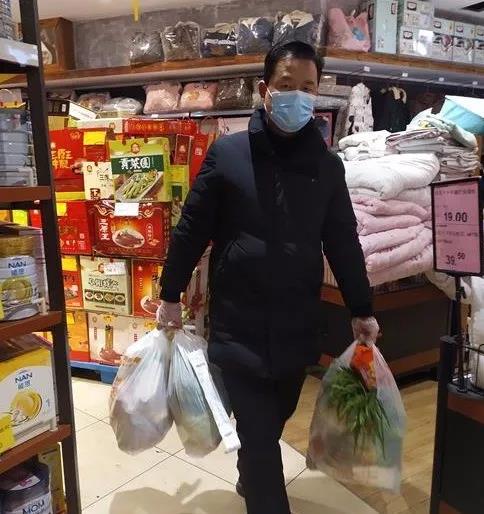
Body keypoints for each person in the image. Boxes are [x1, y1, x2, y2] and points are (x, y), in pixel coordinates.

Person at [157, 41, 379, 514]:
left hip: (297, 324)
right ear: (265, 90)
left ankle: (251, 472)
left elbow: (343, 241)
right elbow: (192, 229)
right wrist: (170, 294)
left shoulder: (327, 167)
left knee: (276, 417)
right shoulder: (229, 154)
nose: (297, 96)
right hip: (239, 323)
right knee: (260, 438)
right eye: (286, 85)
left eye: (308, 88)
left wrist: (362, 308)